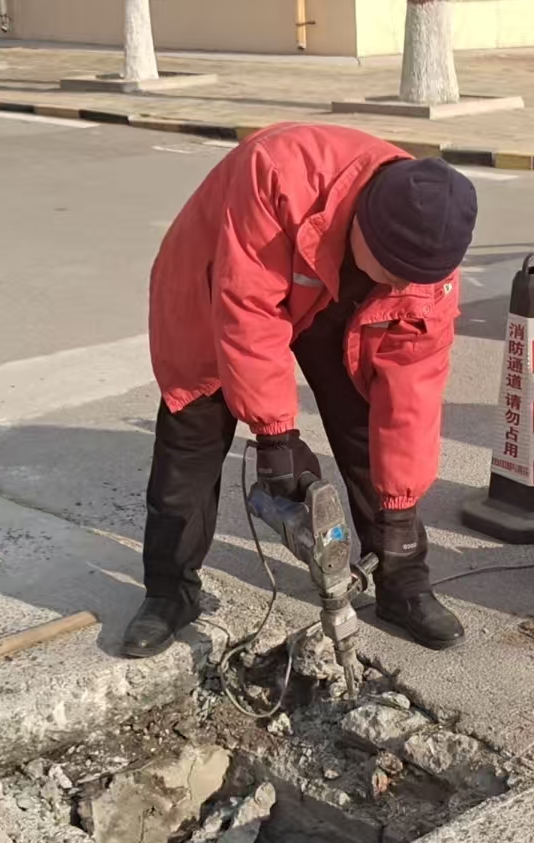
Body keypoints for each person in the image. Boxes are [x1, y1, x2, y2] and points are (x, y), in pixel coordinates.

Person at [122, 124, 479, 659]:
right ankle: (169, 591)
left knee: (366, 422)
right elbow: (248, 310)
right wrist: (276, 436)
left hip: (330, 285)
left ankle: (402, 579)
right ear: (364, 227)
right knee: (192, 432)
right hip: (222, 278)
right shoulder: (275, 174)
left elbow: (412, 393)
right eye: (393, 272)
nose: (403, 287)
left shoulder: (428, 258)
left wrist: (401, 505)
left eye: (415, 278)